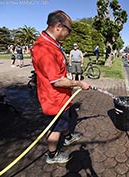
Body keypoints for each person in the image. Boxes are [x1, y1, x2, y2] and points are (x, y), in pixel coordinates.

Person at [30, 10, 92, 164]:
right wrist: (78, 83)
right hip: (54, 99)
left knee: (68, 118)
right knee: (56, 128)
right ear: (58, 26)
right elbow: (57, 81)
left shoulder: (52, 43)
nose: (69, 34)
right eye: (68, 30)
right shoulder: (45, 49)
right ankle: (52, 156)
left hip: (62, 97)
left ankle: (68, 137)